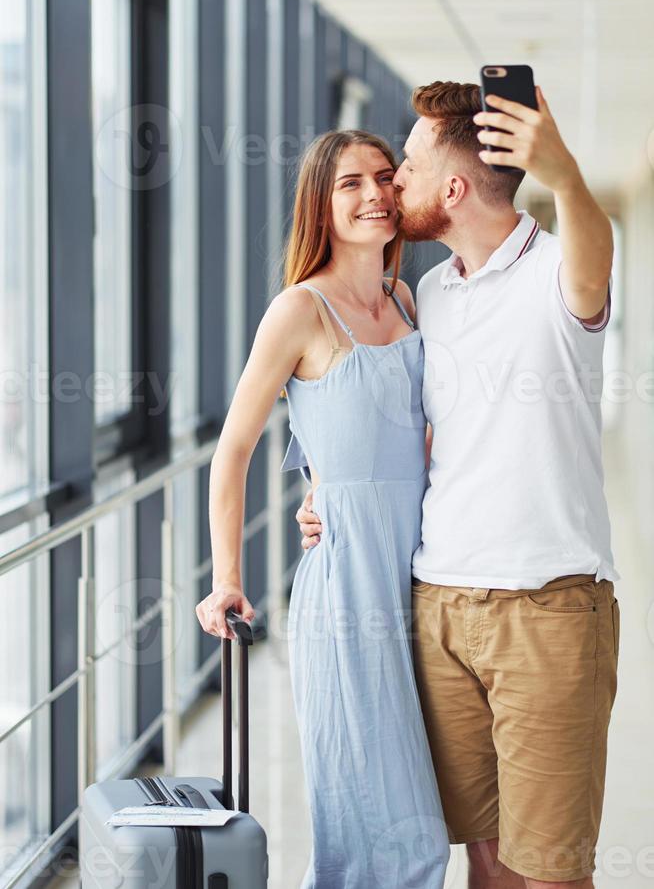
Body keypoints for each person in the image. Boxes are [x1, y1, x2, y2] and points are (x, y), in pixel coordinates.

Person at [297, 82, 620, 889]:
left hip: (546, 610)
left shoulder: (557, 271)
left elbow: (595, 246)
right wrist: (325, 492)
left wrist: (566, 173)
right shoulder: (426, 295)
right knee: (481, 856)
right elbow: (407, 432)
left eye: (404, 165)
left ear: (451, 187)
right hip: (438, 606)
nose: (391, 183)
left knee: (550, 869)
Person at [196, 129, 450, 888]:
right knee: (383, 836)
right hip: (346, 597)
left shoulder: (406, 298)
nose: (374, 194)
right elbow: (231, 451)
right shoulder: (299, 310)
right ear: (321, 202)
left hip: (423, 583)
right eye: (350, 184)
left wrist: (320, 475)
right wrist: (226, 578)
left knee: (414, 827)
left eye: (383, 176)